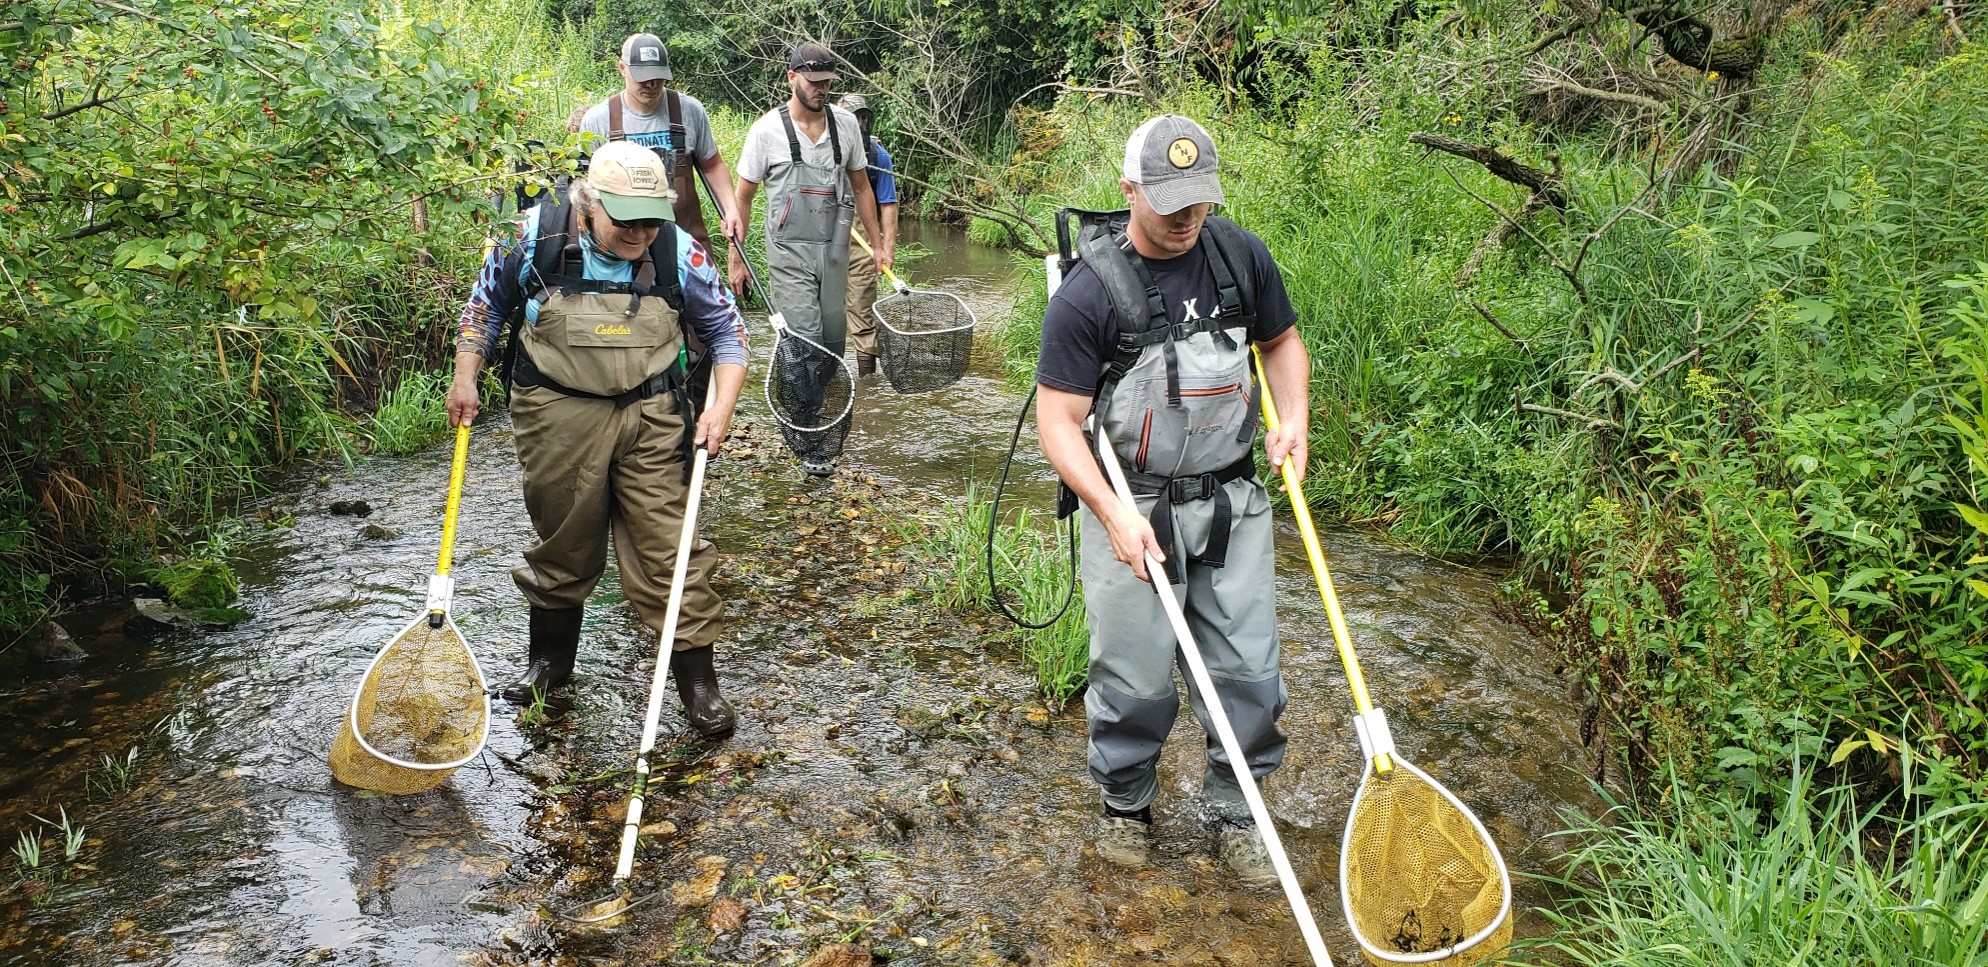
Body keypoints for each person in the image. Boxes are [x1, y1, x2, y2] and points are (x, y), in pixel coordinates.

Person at [1033, 115, 1311, 886]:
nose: (1188, 221)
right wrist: (1112, 511)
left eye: (1200, 204)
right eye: (1170, 205)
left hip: (1231, 502)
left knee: (1252, 672)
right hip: (1133, 506)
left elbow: (1282, 341)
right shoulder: (1088, 295)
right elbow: (1059, 421)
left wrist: (1295, 419)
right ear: (1129, 191)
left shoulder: (1239, 255)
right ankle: (1126, 807)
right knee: (1135, 675)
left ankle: (1237, 813)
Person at [448, 140, 750, 740]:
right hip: (556, 411)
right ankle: (551, 668)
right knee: (565, 538)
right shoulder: (530, 235)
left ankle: (698, 685)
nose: (641, 232)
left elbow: (727, 331)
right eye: (626, 219)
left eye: (651, 219)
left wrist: (720, 408)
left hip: (653, 416)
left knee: (671, 546)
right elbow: (484, 306)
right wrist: (465, 375)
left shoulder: (678, 251)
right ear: (589, 204)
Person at [729, 41, 889, 475]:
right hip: (787, 253)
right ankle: (805, 435)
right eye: (813, 82)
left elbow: (861, 189)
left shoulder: (845, 126)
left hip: (834, 250)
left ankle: (812, 412)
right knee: (805, 338)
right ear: (792, 78)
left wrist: (877, 244)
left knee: (834, 341)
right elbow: (742, 198)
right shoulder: (767, 131)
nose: (820, 90)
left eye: (826, 83)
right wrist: (736, 258)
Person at [576, 33, 744, 251]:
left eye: (658, 76)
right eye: (643, 77)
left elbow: (713, 166)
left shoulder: (690, 111)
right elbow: (584, 184)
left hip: (685, 240)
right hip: (624, 242)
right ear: (622, 68)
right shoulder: (598, 120)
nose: (652, 84)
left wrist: (731, 210)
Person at [837, 93, 898, 378]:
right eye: (854, 118)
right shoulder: (822, 148)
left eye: (864, 118)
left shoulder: (878, 156)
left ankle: (867, 383)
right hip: (822, 234)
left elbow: (887, 203)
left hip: (862, 237)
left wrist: (886, 246)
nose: (860, 125)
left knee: (862, 311)